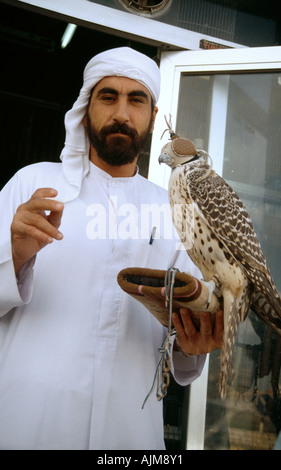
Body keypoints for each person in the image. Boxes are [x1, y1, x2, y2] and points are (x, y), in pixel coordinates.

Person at [0, 47, 223, 450]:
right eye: (108, 96)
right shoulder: (30, 185)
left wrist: (193, 343)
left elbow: (183, 337)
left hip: (128, 429)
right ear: (86, 109)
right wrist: (15, 255)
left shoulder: (174, 211)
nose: (122, 112)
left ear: (153, 118)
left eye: (136, 99)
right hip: (29, 417)